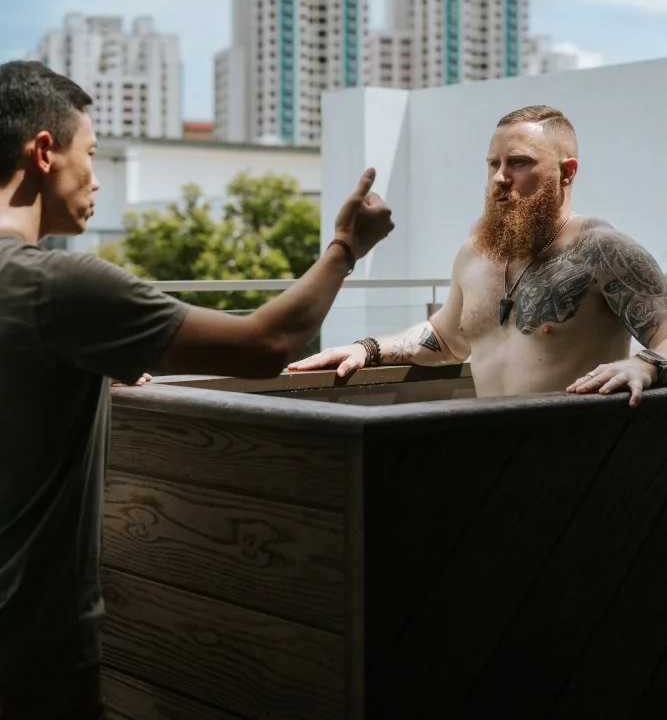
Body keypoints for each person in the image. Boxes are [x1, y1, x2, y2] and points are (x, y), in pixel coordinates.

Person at [0, 61, 394, 719]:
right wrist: (344, 249)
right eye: (90, 154)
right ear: (44, 151)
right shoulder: (55, 288)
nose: (96, 177)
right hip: (29, 643)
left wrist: (89, 361)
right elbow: (265, 344)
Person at [290, 104, 667, 409]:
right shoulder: (477, 250)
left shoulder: (604, 249)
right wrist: (366, 349)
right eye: (493, 164)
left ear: (566, 172)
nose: (500, 178)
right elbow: (445, 336)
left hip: (578, 466)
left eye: (519, 162)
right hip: (492, 457)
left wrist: (645, 364)